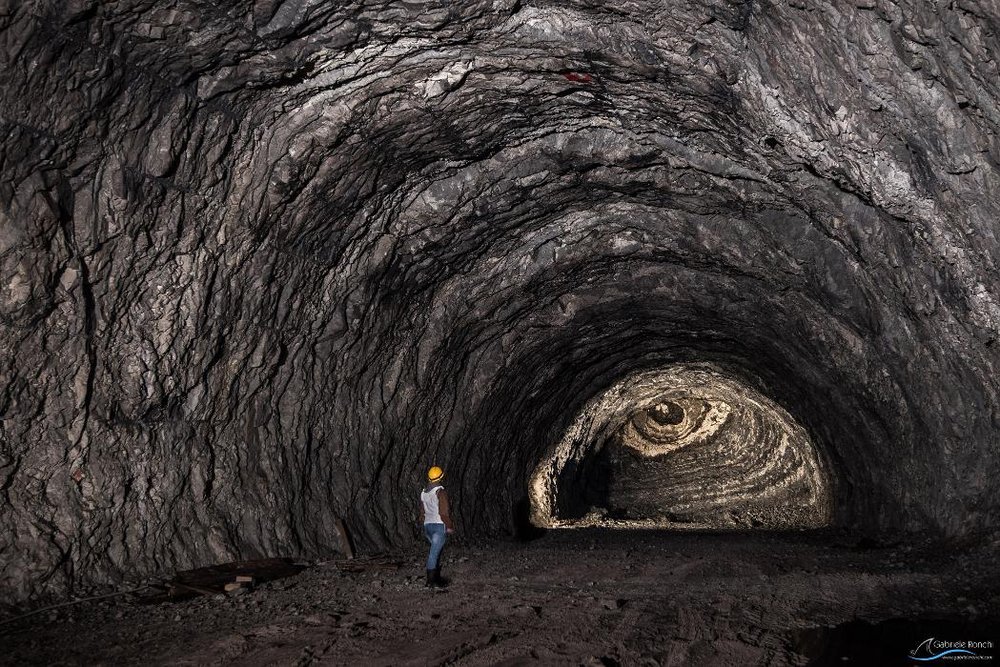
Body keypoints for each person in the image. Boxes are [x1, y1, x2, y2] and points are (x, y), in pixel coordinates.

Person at [419, 466, 454, 588]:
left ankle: (436, 577)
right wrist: (449, 526)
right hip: (439, 526)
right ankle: (432, 581)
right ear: (441, 477)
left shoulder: (424, 492)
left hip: (428, 526)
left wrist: (424, 522)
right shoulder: (441, 492)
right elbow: (443, 512)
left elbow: (422, 511)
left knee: (435, 551)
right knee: (434, 553)